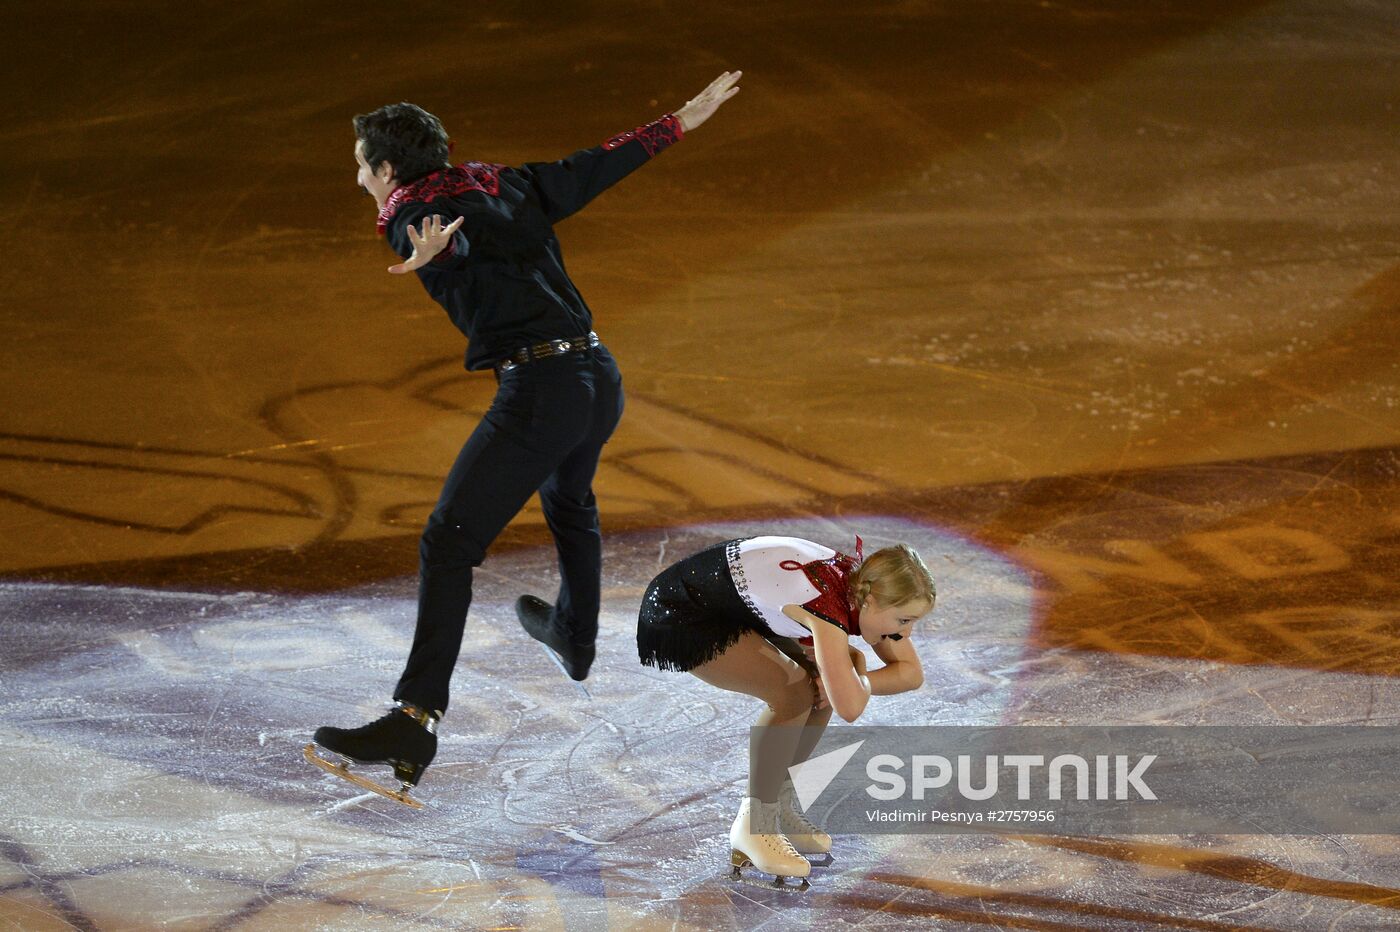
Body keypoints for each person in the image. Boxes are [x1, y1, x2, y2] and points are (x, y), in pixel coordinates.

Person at [311, 72, 743, 801]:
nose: (357, 174)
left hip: (540, 392)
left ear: (387, 169)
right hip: (597, 376)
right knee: (569, 502)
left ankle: (414, 717)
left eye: (362, 163)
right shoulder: (503, 183)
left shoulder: (411, 211)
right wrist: (677, 121)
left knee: (448, 541)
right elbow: (595, 164)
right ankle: (574, 635)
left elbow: (443, 244)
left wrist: (435, 257)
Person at [637, 535, 933, 887]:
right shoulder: (828, 610)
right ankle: (754, 825)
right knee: (793, 693)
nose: (907, 632)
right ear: (869, 602)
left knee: (819, 683)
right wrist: (854, 676)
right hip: (682, 612)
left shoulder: (870, 589)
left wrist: (859, 677)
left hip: (731, 606)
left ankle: (779, 804)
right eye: (903, 620)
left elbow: (911, 673)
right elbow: (850, 706)